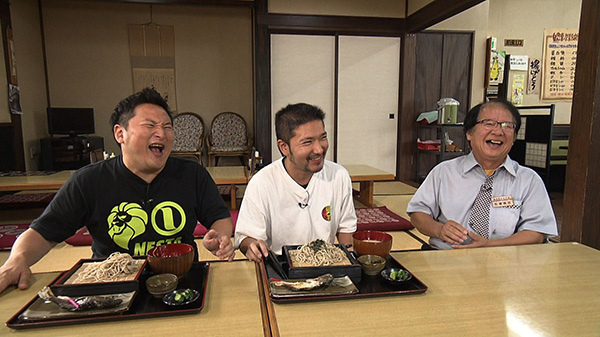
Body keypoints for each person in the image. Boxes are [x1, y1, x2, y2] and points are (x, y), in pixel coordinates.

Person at [0, 88, 234, 294]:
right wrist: (16, 261)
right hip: (111, 285)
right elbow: (43, 232)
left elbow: (219, 217)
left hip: (180, 281)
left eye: (167, 127)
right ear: (120, 134)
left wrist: (220, 238)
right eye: (150, 125)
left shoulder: (192, 175)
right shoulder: (89, 181)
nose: (161, 134)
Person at [407, 100, 558, 249]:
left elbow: (536, 232)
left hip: (505, 264)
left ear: (514, 138)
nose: (498, 131)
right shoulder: (444, 172)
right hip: (445, 257)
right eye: (489, 123)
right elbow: (418, 213)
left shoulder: (529, 180)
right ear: (469, 133)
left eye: (507, 126)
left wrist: (490, 246)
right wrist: (439, 230)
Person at [234, 103, 357, 262]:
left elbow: (346, 228)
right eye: (307, 142)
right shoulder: (262, 182)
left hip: (327, 264)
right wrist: (251, 246)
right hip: (281, 267)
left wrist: (348, 264)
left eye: (323, 138)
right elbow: (247, 237)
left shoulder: (338, 176)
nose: (319, 149)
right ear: (284, 147)